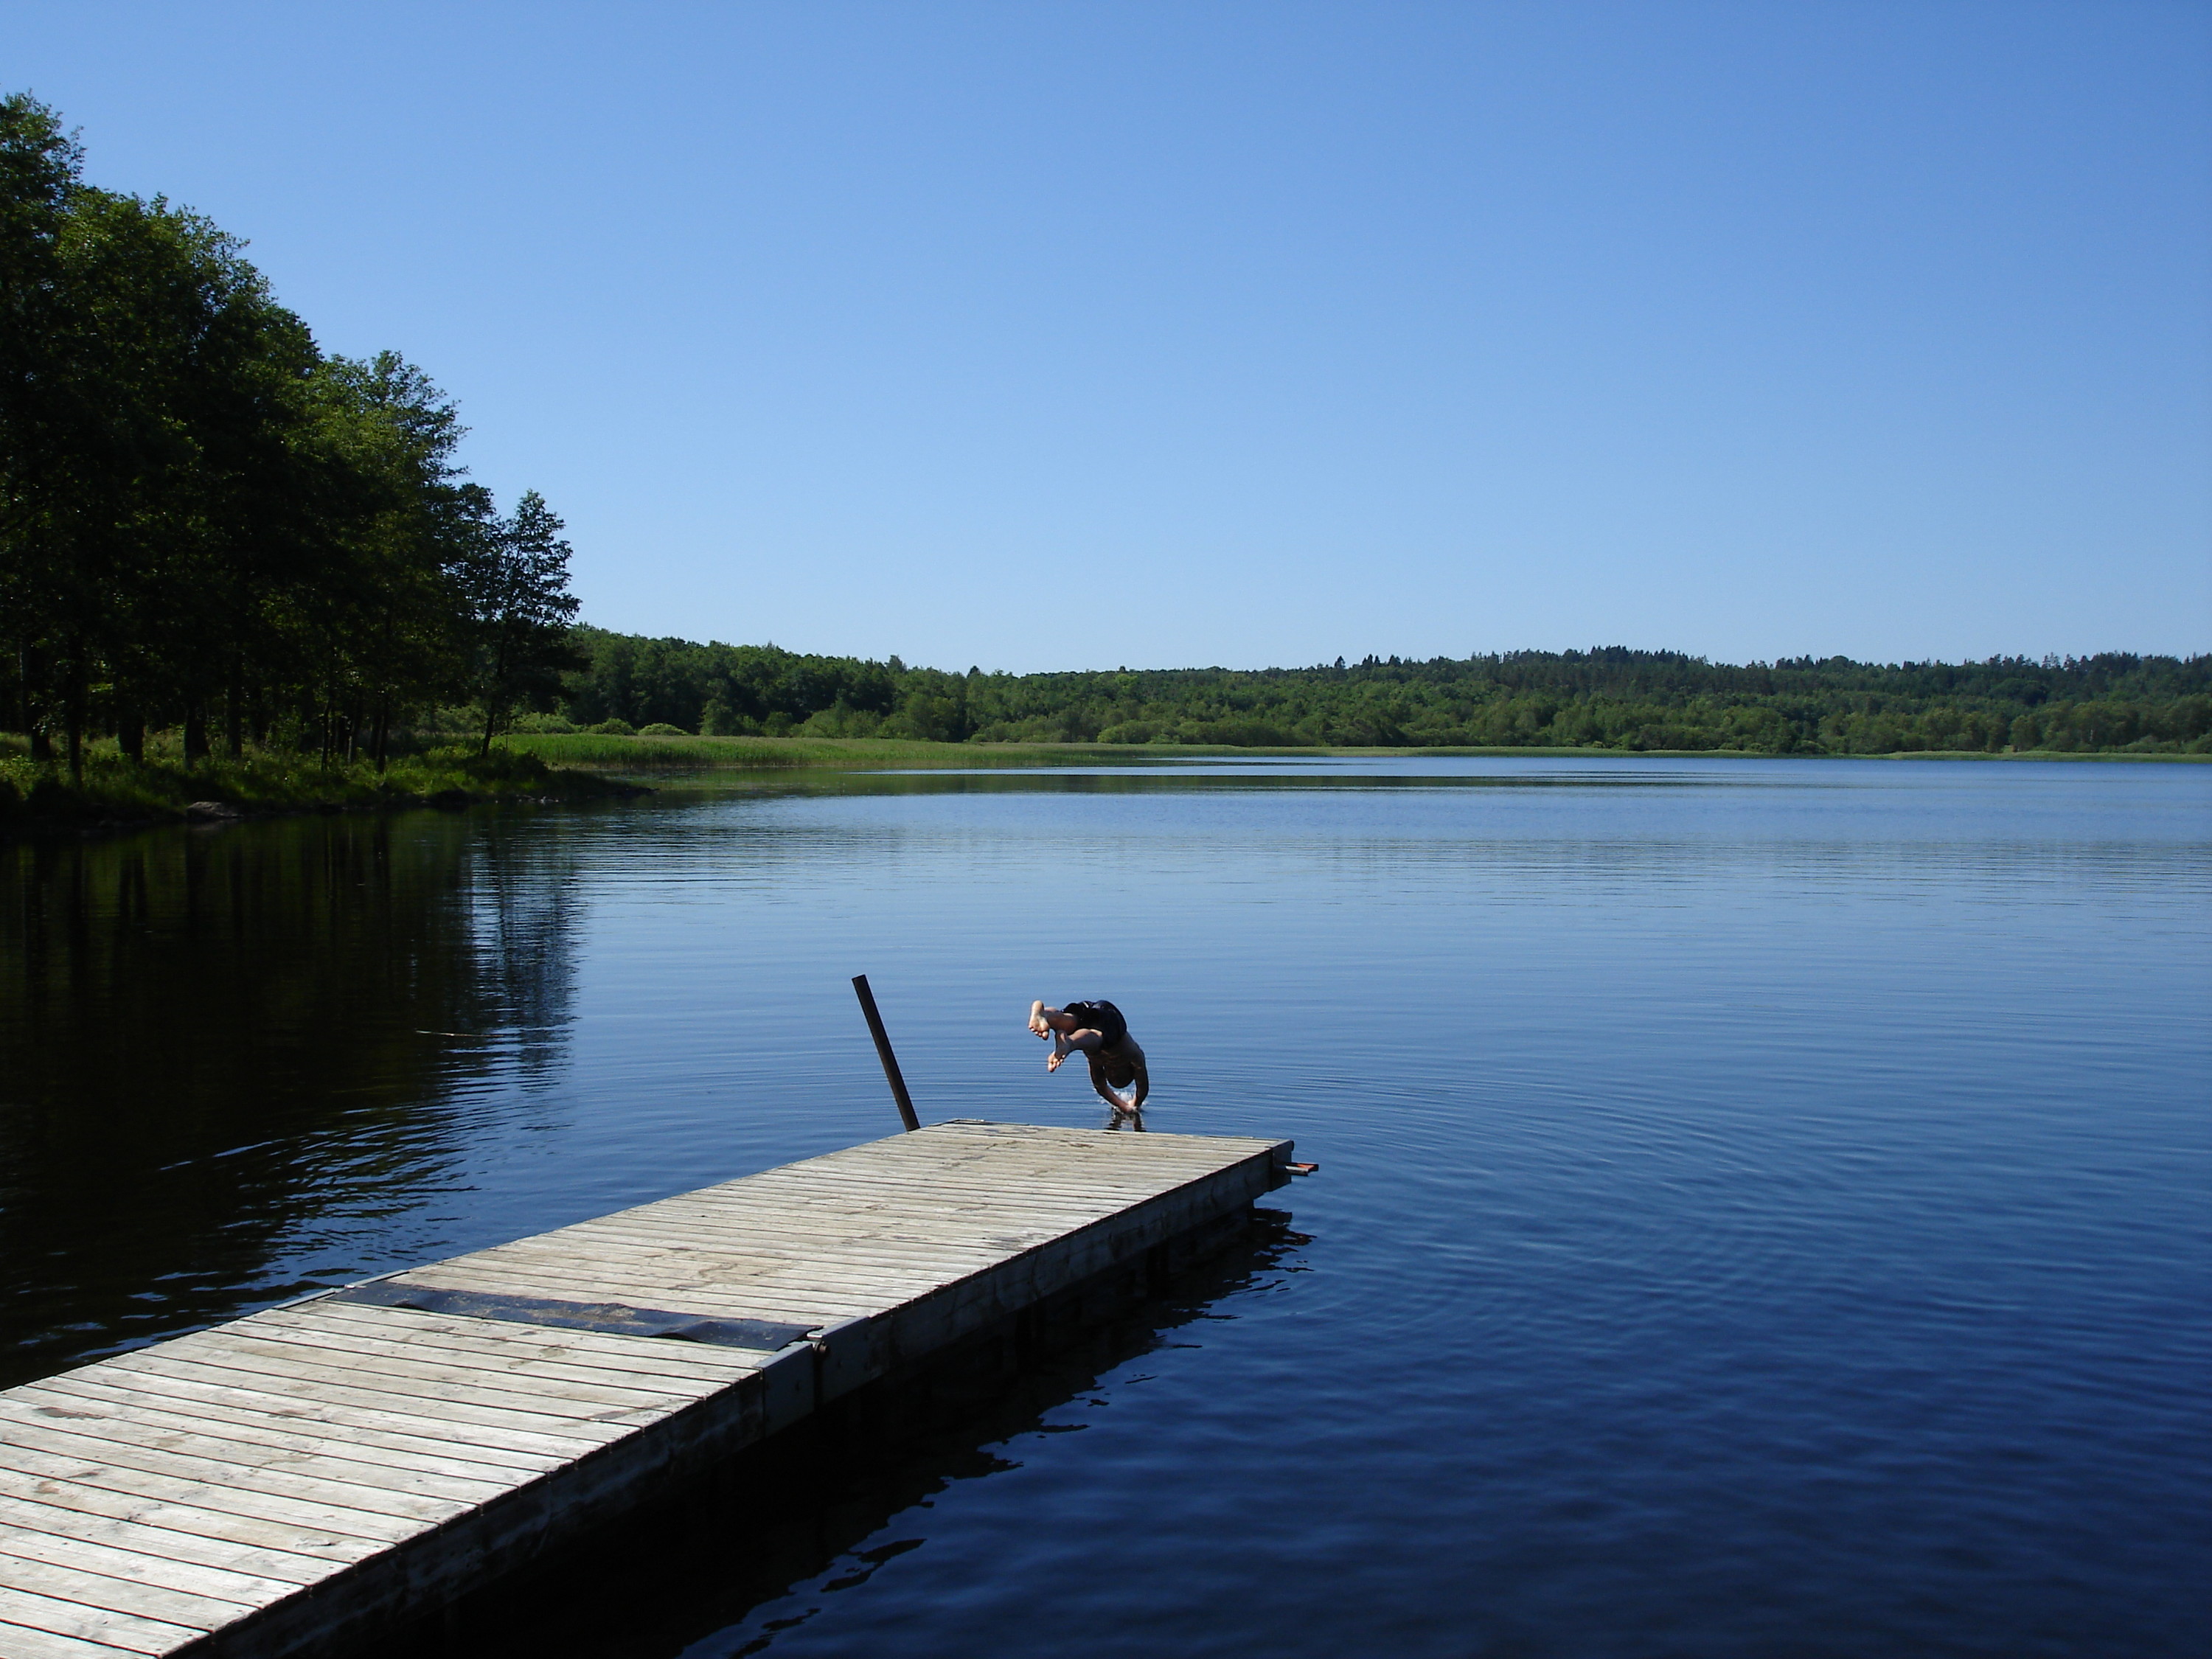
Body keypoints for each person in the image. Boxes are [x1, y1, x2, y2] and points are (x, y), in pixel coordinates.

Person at [1028, 998, 1148, 1118]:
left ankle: (1045, 1015)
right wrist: (1132, 1106)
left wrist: (1124, 1106)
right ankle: (1070, 1044)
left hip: (1090, 1009)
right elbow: (1141, 1089)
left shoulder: (1101, 1062)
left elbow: (1102, 1087)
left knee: (1068, 1020)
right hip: (1110, 1020)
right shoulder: (1134, 1056)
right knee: (1096, 1037)